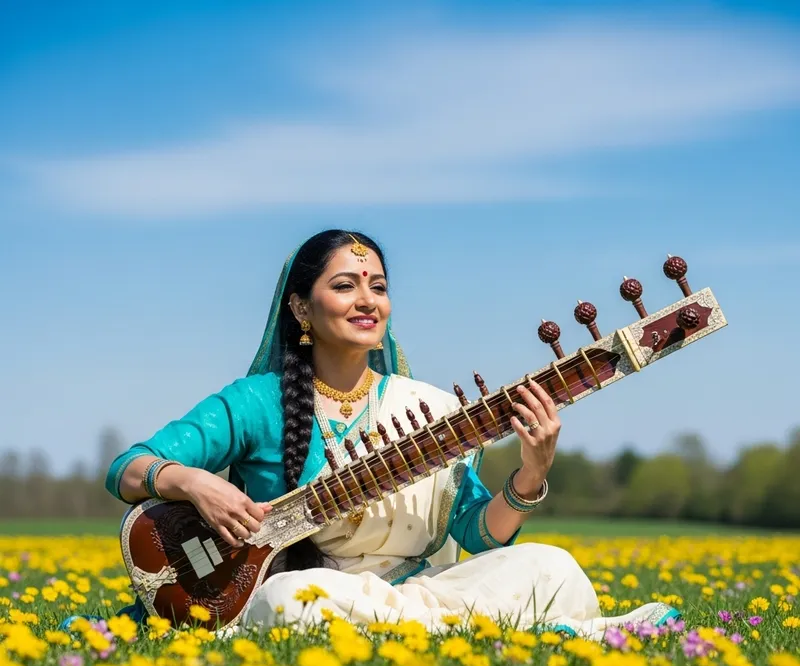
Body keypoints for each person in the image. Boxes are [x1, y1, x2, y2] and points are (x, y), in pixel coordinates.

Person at [103, 229, 678, 638]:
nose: (367, 301)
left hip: (421, 588)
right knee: (291, 601)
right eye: (346, 285)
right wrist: (193, 483)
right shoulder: (257, 403)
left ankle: (419, 630)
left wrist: (532, 473)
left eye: (377, 286)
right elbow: (129, 468)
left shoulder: (429, 408)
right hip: (321, 592)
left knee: (553, 567)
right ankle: (499, 634)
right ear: (301, 308)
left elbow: (477, 538)